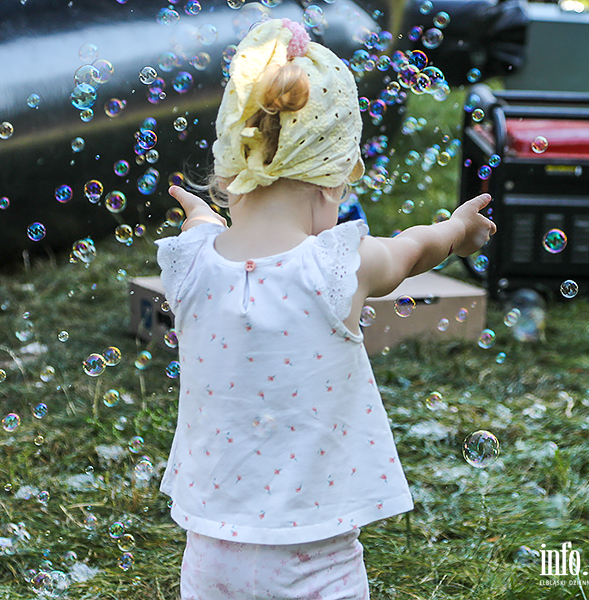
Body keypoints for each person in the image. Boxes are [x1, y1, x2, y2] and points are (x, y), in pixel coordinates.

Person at [155, 17, 496, 600]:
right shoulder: (338, 266)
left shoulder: (189, 265)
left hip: (210, 552)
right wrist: (455, 229)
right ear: (332, 185)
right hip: (314, 556)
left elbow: (204, 227)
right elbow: (415, 249)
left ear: (230, 173)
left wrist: (202, 220)